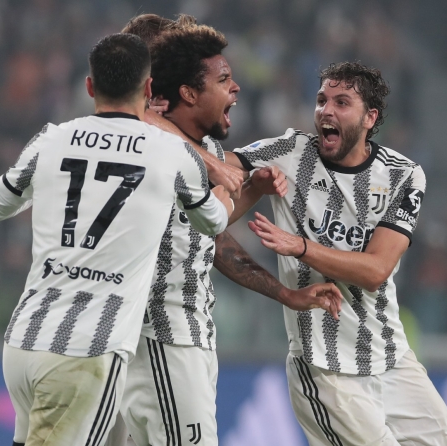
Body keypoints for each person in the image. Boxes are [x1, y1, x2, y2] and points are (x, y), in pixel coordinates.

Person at [0, 33, 233, 446]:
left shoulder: (51, 138)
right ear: (149, 88)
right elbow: (213, 223)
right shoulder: (170, 153)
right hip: (88, 349)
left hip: (24, 342)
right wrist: (225, 194)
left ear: (89, 86)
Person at [109, 17, 344, 446]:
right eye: (222, 79)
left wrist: (284, 291)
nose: (235, 88)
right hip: (160, 334)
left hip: (187, 333)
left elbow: (208, 237)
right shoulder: (140, 141)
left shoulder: (209, 150)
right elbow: (137, 118)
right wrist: (211, 165)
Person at [235, 62, 447, 445]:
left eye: (342, 102)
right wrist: (248, 181)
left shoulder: (404, 175)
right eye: (321, 100)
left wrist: (301, 246)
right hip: (325, 369)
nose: (326, 110)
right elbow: (220, 163)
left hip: (391, 359)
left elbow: (376, 270)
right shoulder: (290, 151)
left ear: (369, 118)